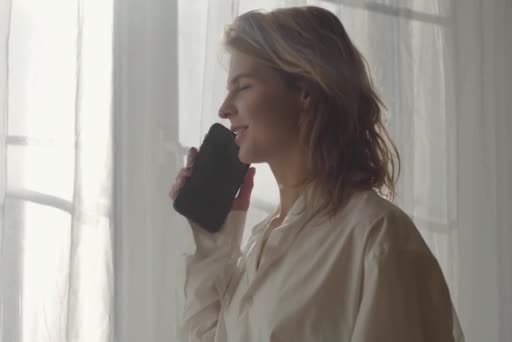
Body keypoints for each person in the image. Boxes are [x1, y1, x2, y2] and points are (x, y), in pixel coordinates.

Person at [169, 6, 464, 342]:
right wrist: (212, 240)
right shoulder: (263, 243)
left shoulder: (377, 236)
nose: (224, 108)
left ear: (306, 91)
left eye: (244, 86)